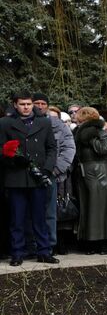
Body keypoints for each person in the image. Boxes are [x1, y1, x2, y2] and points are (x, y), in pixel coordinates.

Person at [0, 92, 58, 266]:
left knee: (40, 217)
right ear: (15, 105)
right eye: (22, 104)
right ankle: (17, 253)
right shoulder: (5, 123)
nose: (26, 107)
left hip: (38, 176)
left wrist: (46, 169)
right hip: (16, 177)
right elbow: (1, 148)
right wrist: (13, 159)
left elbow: (52, 148)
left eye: (29, 104)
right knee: (17, 218)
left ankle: (44, 251)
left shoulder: (45, 122)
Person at [74, 107, 107, 254]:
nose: (80, 124)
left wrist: (90, 137)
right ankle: (90, 242)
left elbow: (104, 150)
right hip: (84, 173)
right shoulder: (77, 134)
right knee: (88, 208)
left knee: (103, 208)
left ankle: (106, 242)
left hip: (100, 172)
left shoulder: (101, 133)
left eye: (83, 122)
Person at [32, 93, 76, 255]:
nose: (40, 106)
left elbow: (68, 149)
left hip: (51, 175)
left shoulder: (58, 126)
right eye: (37, 102)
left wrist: (55, 170)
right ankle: (31, 246)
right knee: (29, 213)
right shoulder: (25, 123)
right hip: (28, 176)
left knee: (50, 213)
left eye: (44, 103)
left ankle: (49, 246)